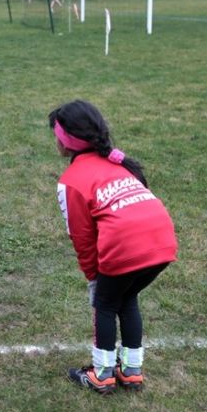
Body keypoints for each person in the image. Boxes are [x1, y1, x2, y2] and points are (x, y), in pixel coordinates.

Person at [50, 99, 177, 395]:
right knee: (127, 296)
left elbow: (81, 237)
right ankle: (131, 371)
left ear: (66, 140)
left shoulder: (71, 181)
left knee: (105, 303)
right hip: (162, 244)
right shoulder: (120, 164)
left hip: (128, 246)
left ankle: (102, 374)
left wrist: (94, 276)